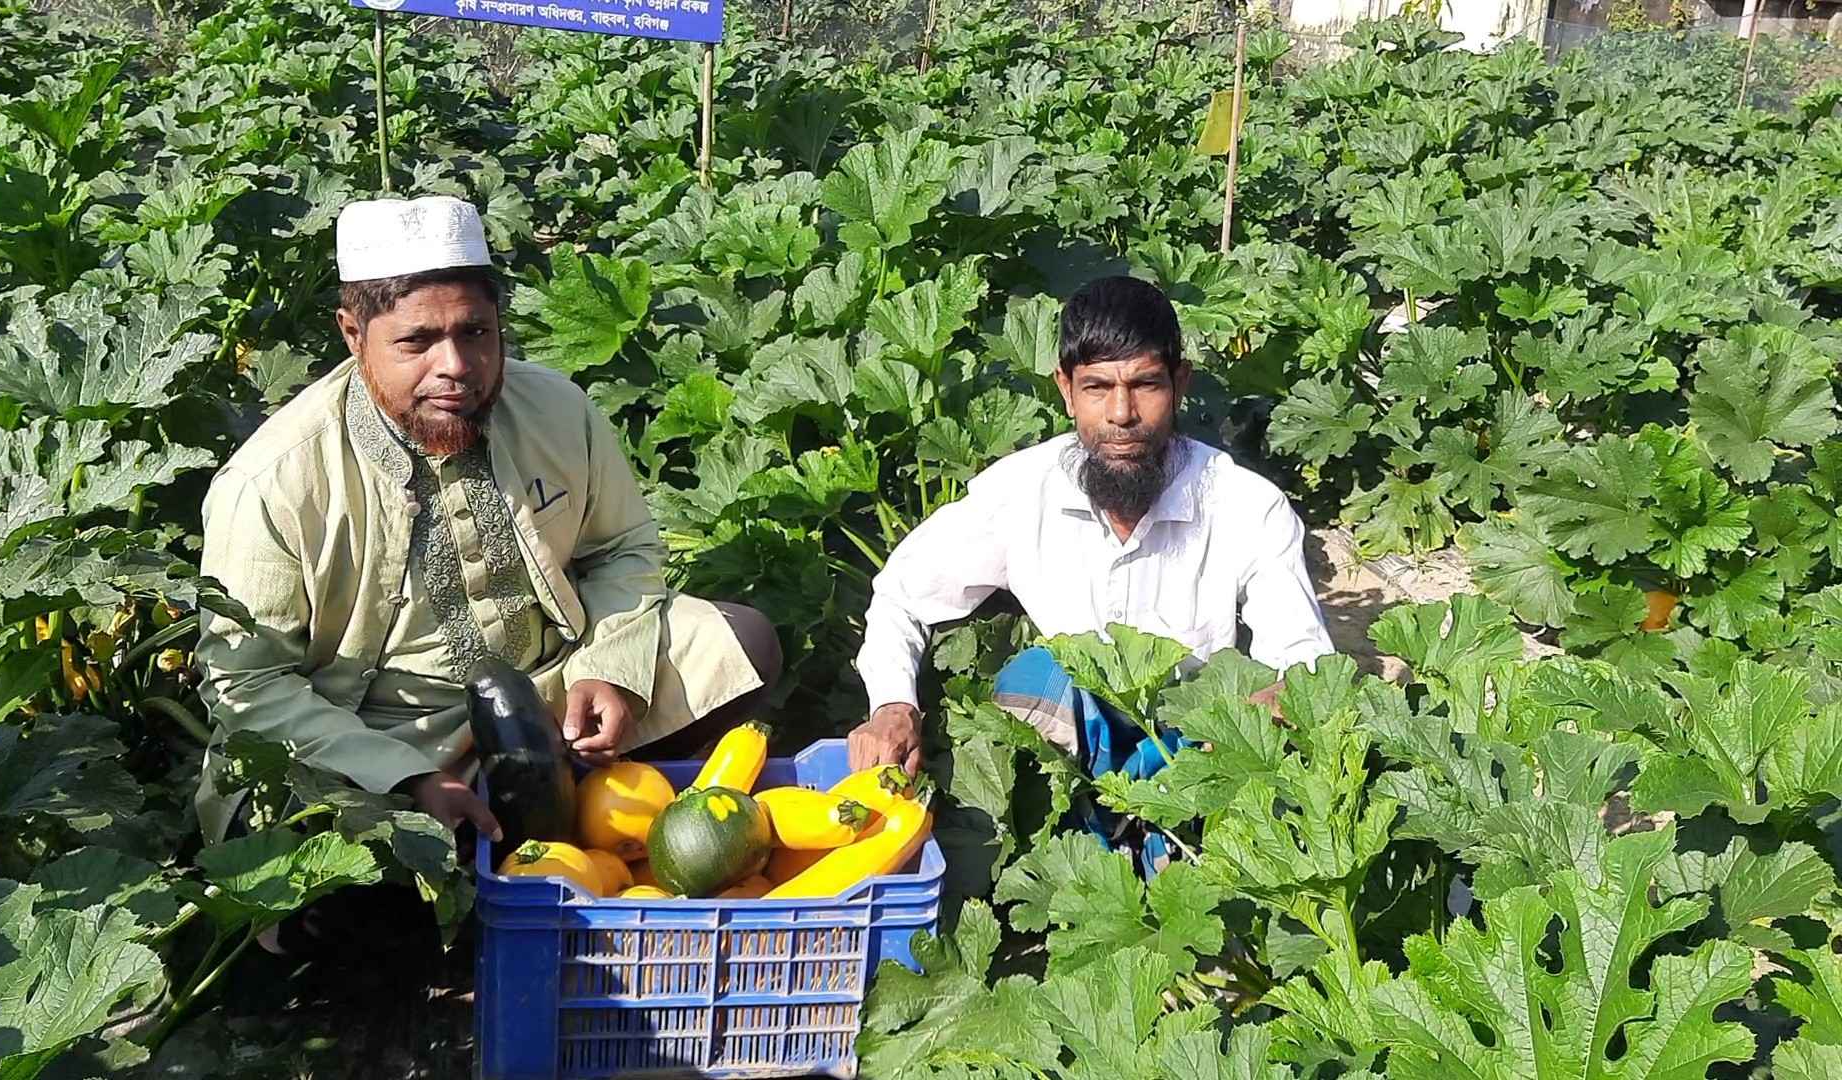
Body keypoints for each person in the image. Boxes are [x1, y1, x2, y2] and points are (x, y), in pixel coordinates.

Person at [192, 196, 781, 929]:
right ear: (354, 334)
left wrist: (612, 669)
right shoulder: (275, 482)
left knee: (740, 642)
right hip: (378, 732)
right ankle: (484, 854)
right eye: (417, 342)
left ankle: (575, 820)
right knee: (304, 861)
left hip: (553, 690)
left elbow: (624, 550)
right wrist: (403, 778)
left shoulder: (558, 410)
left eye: (475, 332)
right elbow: (244, 682)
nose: (457, 367)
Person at [848, 275, 1334, 784]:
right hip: (1067, 750)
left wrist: (1272, 701)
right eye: (1097, 388)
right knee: (1031, 683)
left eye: (1145, 385)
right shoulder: (1020, 493)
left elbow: (1302, 654)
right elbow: (900, 596)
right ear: (1066, 390)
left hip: (1199, 753)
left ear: (1181, 383)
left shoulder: (1247, 506)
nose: (1122, 415)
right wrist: (893, 705)